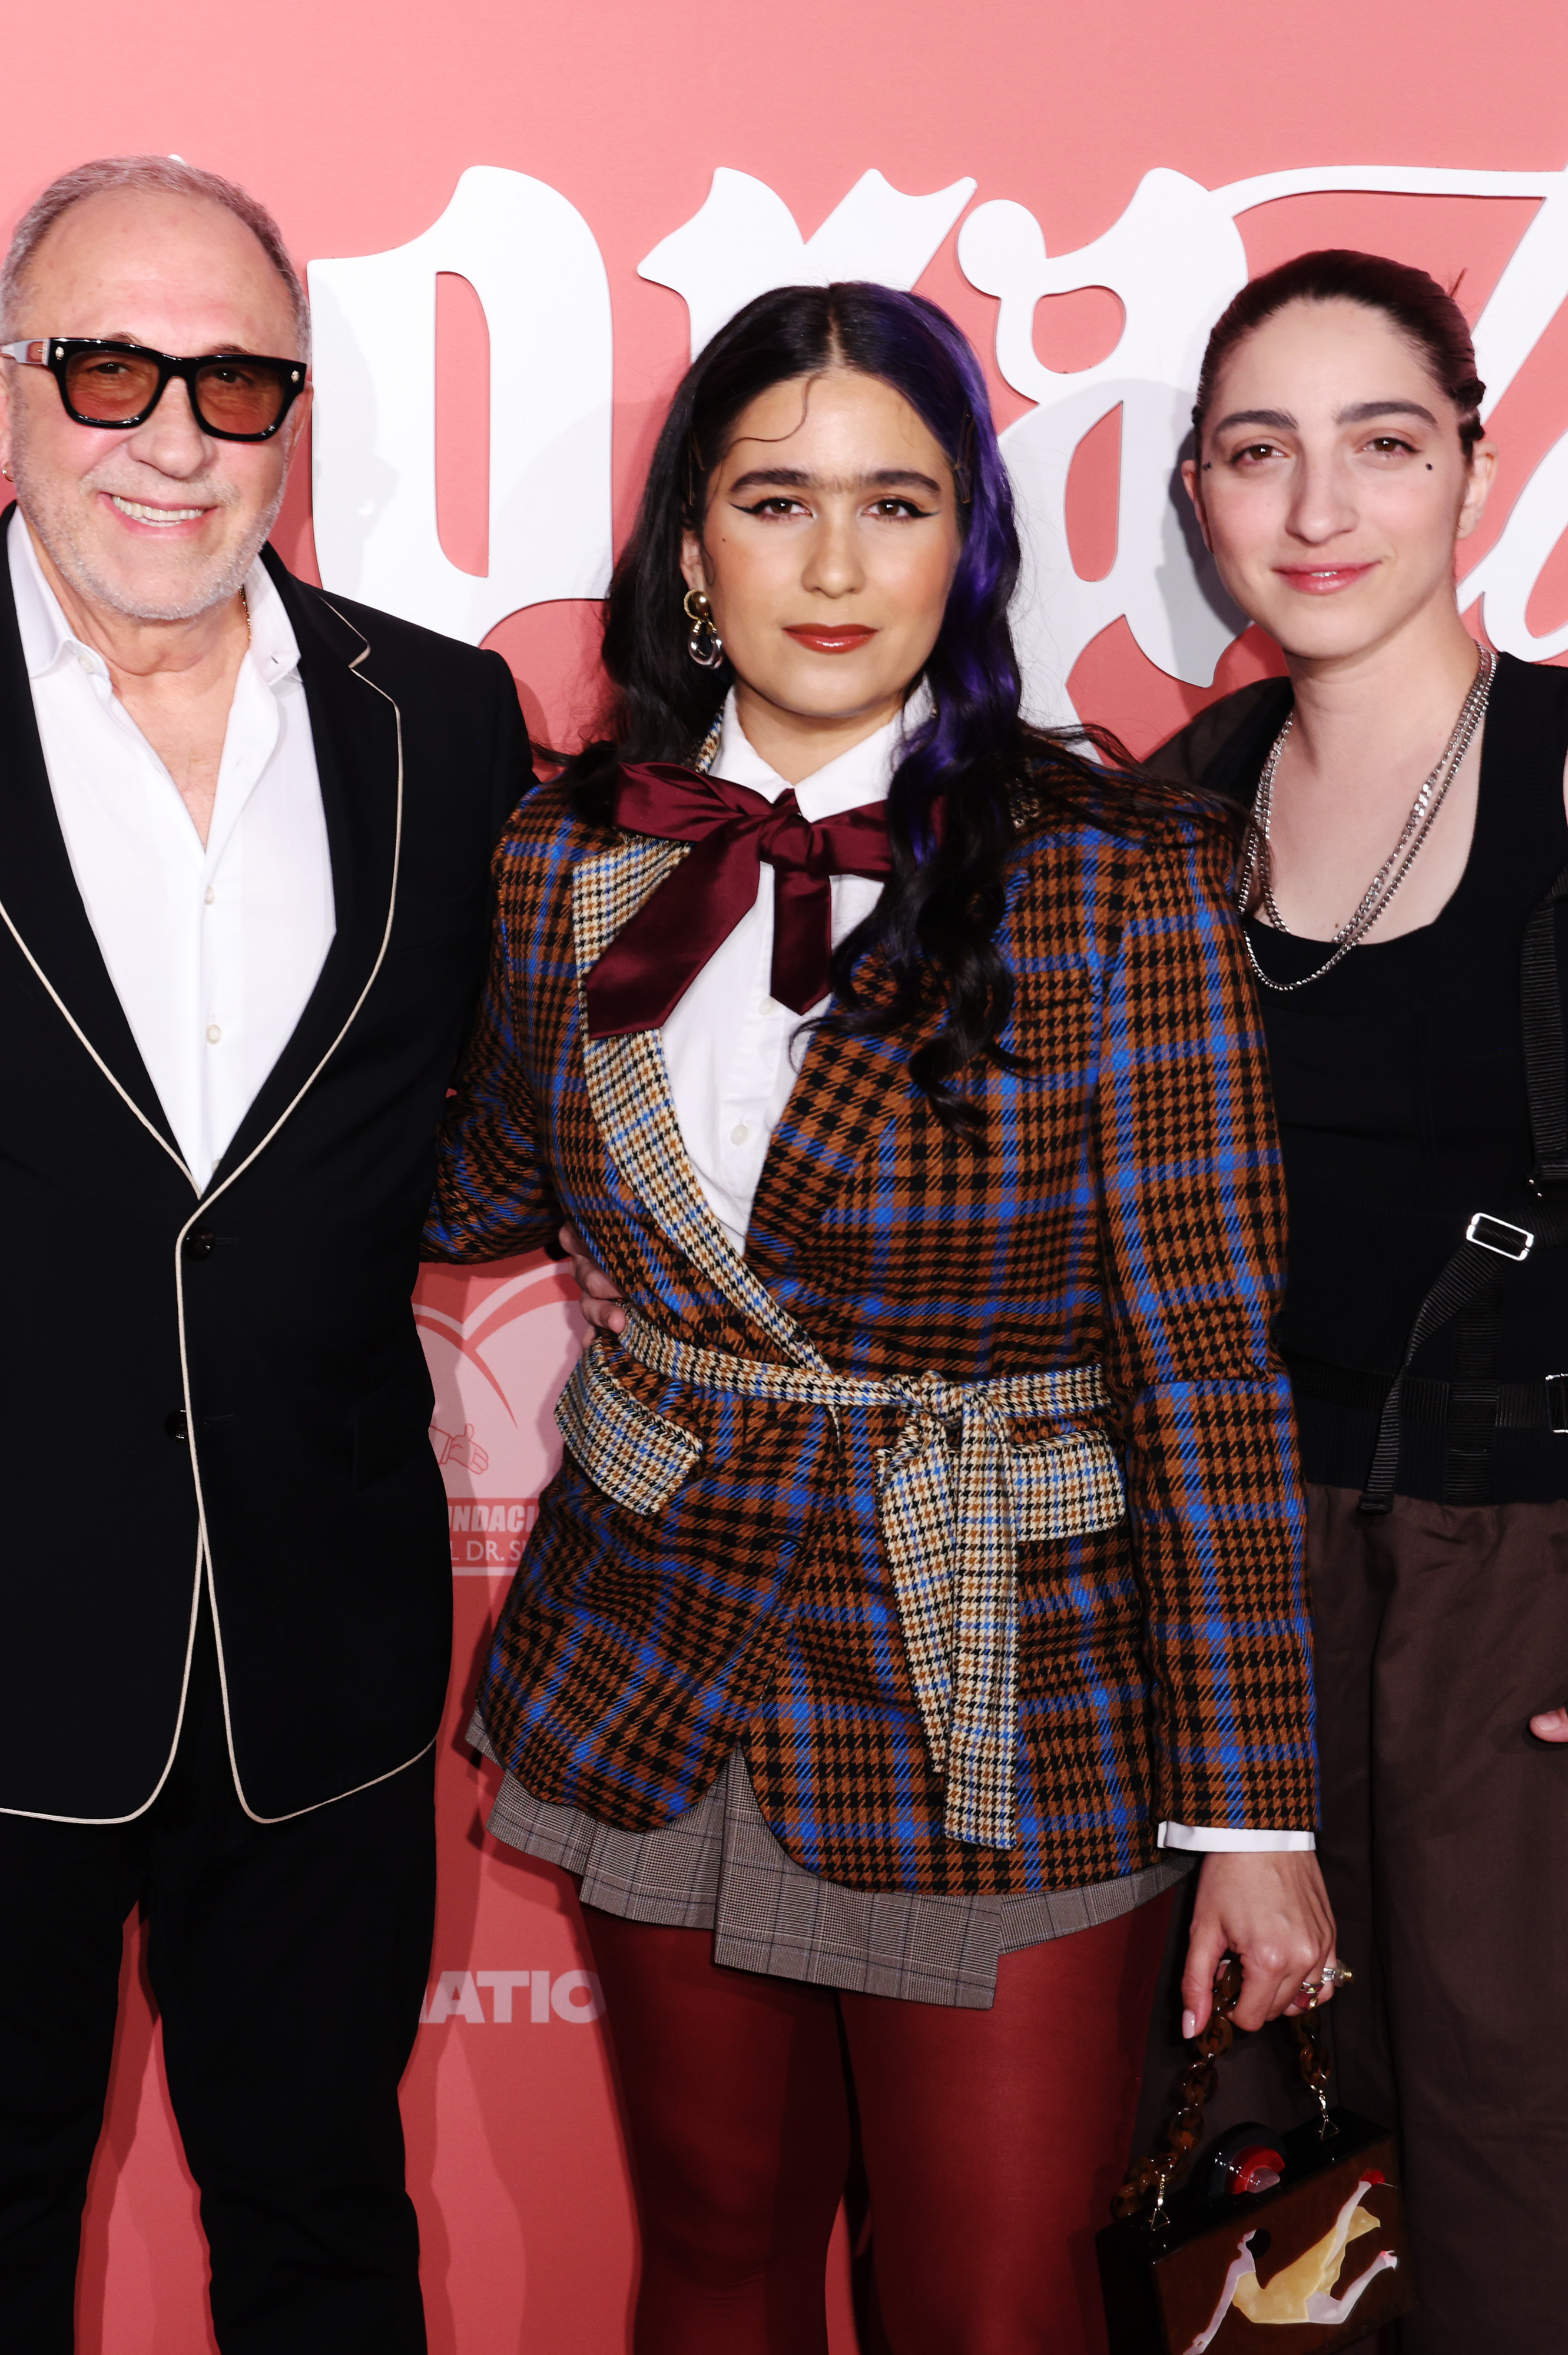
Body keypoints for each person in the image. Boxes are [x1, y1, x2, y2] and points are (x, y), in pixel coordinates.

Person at [427, 281, 1332, 2355]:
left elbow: (1205, 1351)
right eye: (775, 500)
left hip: (990, 1673)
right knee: (716, 2271)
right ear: (687, 547)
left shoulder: (1121, 871)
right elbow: (473, 1185)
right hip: (654, 1646)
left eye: (897, 504)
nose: (835, 568)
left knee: (992, 2308)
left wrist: (1255, 1819)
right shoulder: (566, 853)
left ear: (968, 544)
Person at [0, 158, 532, 2352]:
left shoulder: (443, 726)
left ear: (295, 409)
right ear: (1, 402)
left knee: (330, 2235)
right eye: (106, 370)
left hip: (325, 1654)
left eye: (236, 381)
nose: (172, 438)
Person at [1148, 249, 1568, 2351]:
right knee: (1275, 2266)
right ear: (1198, 495)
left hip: (1544, 1609)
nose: (1321, 509)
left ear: (1475, 471)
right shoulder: (1174, 814)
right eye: (1261, 454)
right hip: (1253, 1623)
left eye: (1386, 443)